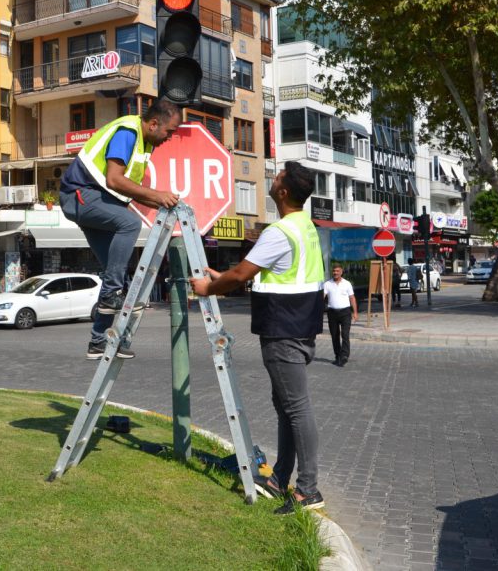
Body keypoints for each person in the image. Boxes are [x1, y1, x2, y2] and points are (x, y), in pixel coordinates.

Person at [190, 161, 325, 515]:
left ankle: (308, 489)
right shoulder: (304, 227)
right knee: (287, 407)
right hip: (301, 327)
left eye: (277, 177)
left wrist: (209, 287)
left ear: (282, 192)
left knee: (296, 408)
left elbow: (240, 273)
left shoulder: (279, 232)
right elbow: (263, 273)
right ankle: (281, 476)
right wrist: (226, 278)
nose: (273, 178)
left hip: (283, 330)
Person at [59, 100, 183, 361]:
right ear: (153, 124)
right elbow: (114, 179)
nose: (169, 138)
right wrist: (158, 195)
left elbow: (128, 193)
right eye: (169, 131)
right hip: (80, 195)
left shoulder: (144, 143)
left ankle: (97, 342)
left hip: (99, 200)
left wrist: (166, 202)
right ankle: (110, 294)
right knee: (129, 224)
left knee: (114, 274)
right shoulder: (128, 132)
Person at [323, 263, 358, 367]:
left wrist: (355, 312)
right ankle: (337, 356)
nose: (335, 273)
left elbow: (352, 298)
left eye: (337, 271)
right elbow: (322, 297)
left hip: (345, 312)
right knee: (334, 336)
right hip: (332, 313)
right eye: (334, 271)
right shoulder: (327, 284)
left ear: (341, 272)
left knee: (345, 335)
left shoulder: (347, 284)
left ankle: (344, 356)